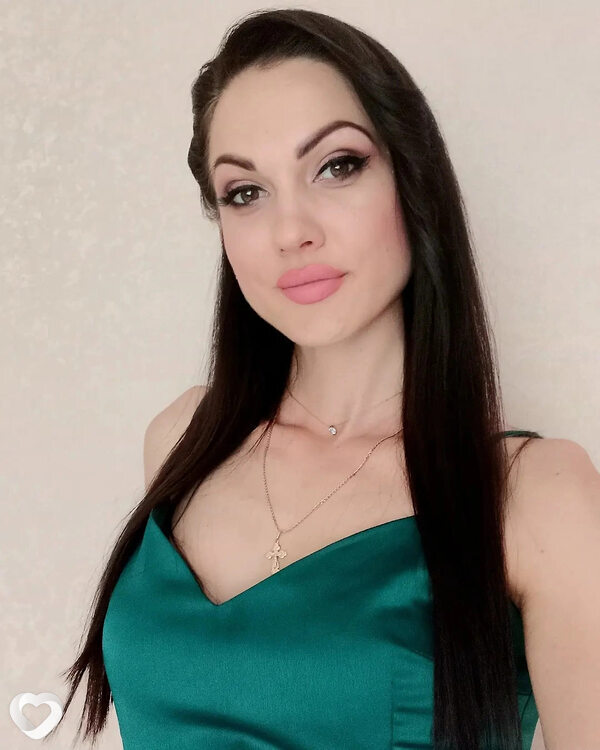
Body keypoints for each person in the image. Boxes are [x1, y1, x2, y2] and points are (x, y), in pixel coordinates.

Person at [58, 9, 600, 750]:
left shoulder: (536, 494)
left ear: (412, 176)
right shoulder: (183, 437)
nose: (292, 231)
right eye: (245, 192)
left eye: (337, 166)